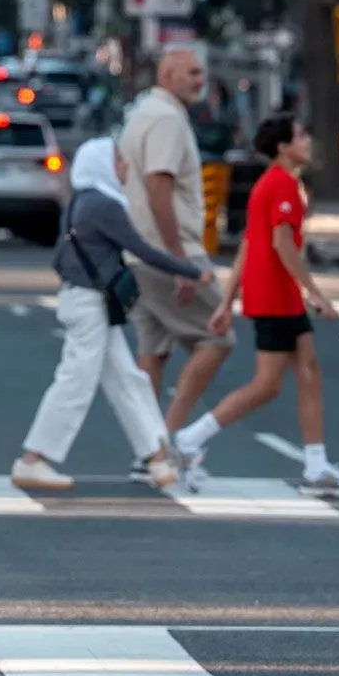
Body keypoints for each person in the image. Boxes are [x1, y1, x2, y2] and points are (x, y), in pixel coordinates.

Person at [171, 114, 339, 497]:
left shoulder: (272, 185)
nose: (308, 141)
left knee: (306, 369)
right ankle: (190, 439)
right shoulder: (282, 186)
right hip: (276, 296)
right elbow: (281, 245)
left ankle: (315, 463)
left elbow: (248, 244)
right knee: (266, 384)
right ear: (283, 147)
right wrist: (315, 293)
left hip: (273, 295)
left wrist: (227, 302)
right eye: (302, 136)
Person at [10, 140, 199, 494]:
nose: (126, 166)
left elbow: (59, 258)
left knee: (128, 380)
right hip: (89, 304)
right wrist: (186, 269)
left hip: (84, 298)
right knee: (76, 381)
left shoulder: (79, 201)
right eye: (118, 160)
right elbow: (139, 248)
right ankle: (33, 460)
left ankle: (157, 457)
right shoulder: (103, 205)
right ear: (101, 164)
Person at [119, 46, 228, 470]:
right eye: (191, 73)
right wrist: (179, 261)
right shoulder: (165, 119)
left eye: (201, 72)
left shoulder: (144, 112)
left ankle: (147, 449)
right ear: (167, 75)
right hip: (166, 252)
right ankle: (169, 440)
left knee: (153, 350)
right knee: (219, 337)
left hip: (140, 252)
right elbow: (158, 186)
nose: (199, 80)